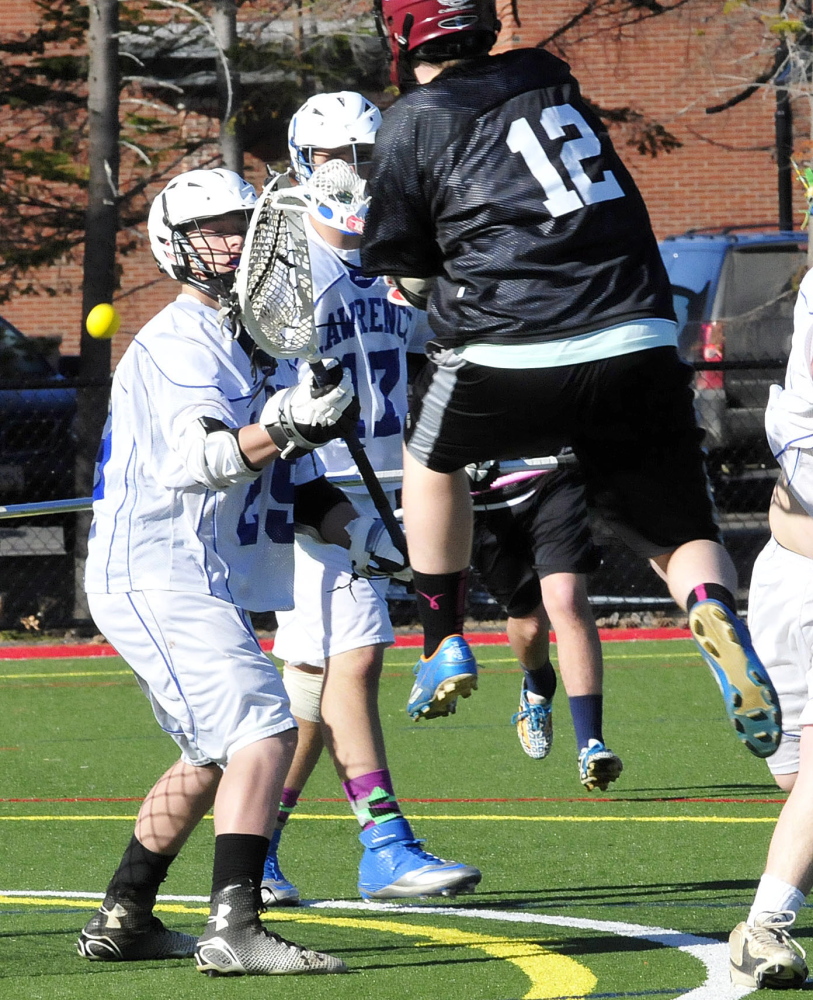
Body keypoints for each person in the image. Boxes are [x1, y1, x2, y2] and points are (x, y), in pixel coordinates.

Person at [360, 0, 782, 762]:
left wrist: (423, 286)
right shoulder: (548, 75)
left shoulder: (410, 120)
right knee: (678, 527)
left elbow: (405, 259)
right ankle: (714, 612)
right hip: (638, 328)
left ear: (399, 36)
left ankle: (441, 638)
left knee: (431, 461)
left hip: (508, 341)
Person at [76, 166, 398, 977]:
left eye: (240, 225)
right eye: (210, 229)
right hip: (156, 570)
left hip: (198, 570)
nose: (231, 241)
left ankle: (126, 912)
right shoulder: (181, 341)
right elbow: (202, 460)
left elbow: (294, 476)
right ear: (172, 246)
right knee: (265, 732)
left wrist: (356, 532)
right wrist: (286, 422)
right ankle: (235, 927)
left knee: (212, 751)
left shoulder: (253, 338)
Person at [259, 92, 481, 906]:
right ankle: (384, 844)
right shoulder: (286, 273)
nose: (350, 171)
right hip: (323, 494)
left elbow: (434, 360)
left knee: (315, 690)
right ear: (300, 161)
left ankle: (253, 847)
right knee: (355, 660)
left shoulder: (394, 260)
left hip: (388, 488)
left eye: (365, 154)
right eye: (332, 156)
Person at [727, 267, 813, 990]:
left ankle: (766, 921)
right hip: (801, 573)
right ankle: (762, 924)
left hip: (781, 566)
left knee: (797, 779)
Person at [468, 459, 622, 791]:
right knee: (530, 623)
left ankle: (590, 744)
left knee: (566, 599)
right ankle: (537, 685)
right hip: (484, 495)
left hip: (550, 476)